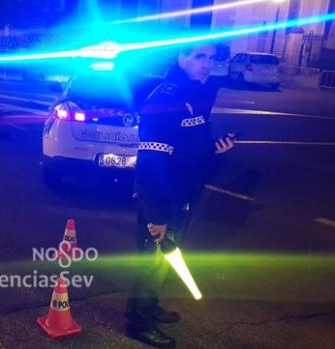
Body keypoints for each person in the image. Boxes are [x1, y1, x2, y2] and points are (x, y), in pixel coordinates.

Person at [125, 43, 236, 349]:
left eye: (212, 58)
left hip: (184, 192)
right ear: (182, 57)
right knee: (152, 262)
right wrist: (157, 215)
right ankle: (138, 324)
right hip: (163, 197)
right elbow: (151, 162)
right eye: (200, 56)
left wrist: (215, 149)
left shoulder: (199, 93)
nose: (207, 64)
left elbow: (191, 144)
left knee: (162, 261)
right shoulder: (167, 99)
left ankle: (147, 308)